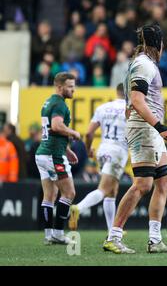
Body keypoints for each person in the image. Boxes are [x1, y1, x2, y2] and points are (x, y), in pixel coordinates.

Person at [103, 23, 167, 254]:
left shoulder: (142, 64)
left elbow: (132, 101)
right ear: (158, 44)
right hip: (145, 127)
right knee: (143, 184)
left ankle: (154, 239)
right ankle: (114, 236)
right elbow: (136, 99)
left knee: (164, 182)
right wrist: (159, 126)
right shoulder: (145, 64)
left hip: (147, 129)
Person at [69, 84, 128, 231]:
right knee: (104, 189)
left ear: (117, 91)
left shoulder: (103, 108)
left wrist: (88, 149)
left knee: (112, 191)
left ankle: (111, 231)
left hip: (103, 150)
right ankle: (78, 208)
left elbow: (89, 134)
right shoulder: (131, 110)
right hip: (118, 151)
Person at [35, 72, 80, 245]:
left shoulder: (48, 102)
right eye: (70, 86)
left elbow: (51, 130)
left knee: (50, 194)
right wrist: (73, 132)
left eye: (73, 86)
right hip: (54, 155)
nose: (73, 90)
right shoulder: (60, 104)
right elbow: (56, 126)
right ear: (60, 87)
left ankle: (48, 235)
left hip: (42, 153)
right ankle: (59, 233)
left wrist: (67, 149)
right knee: (69, 193)